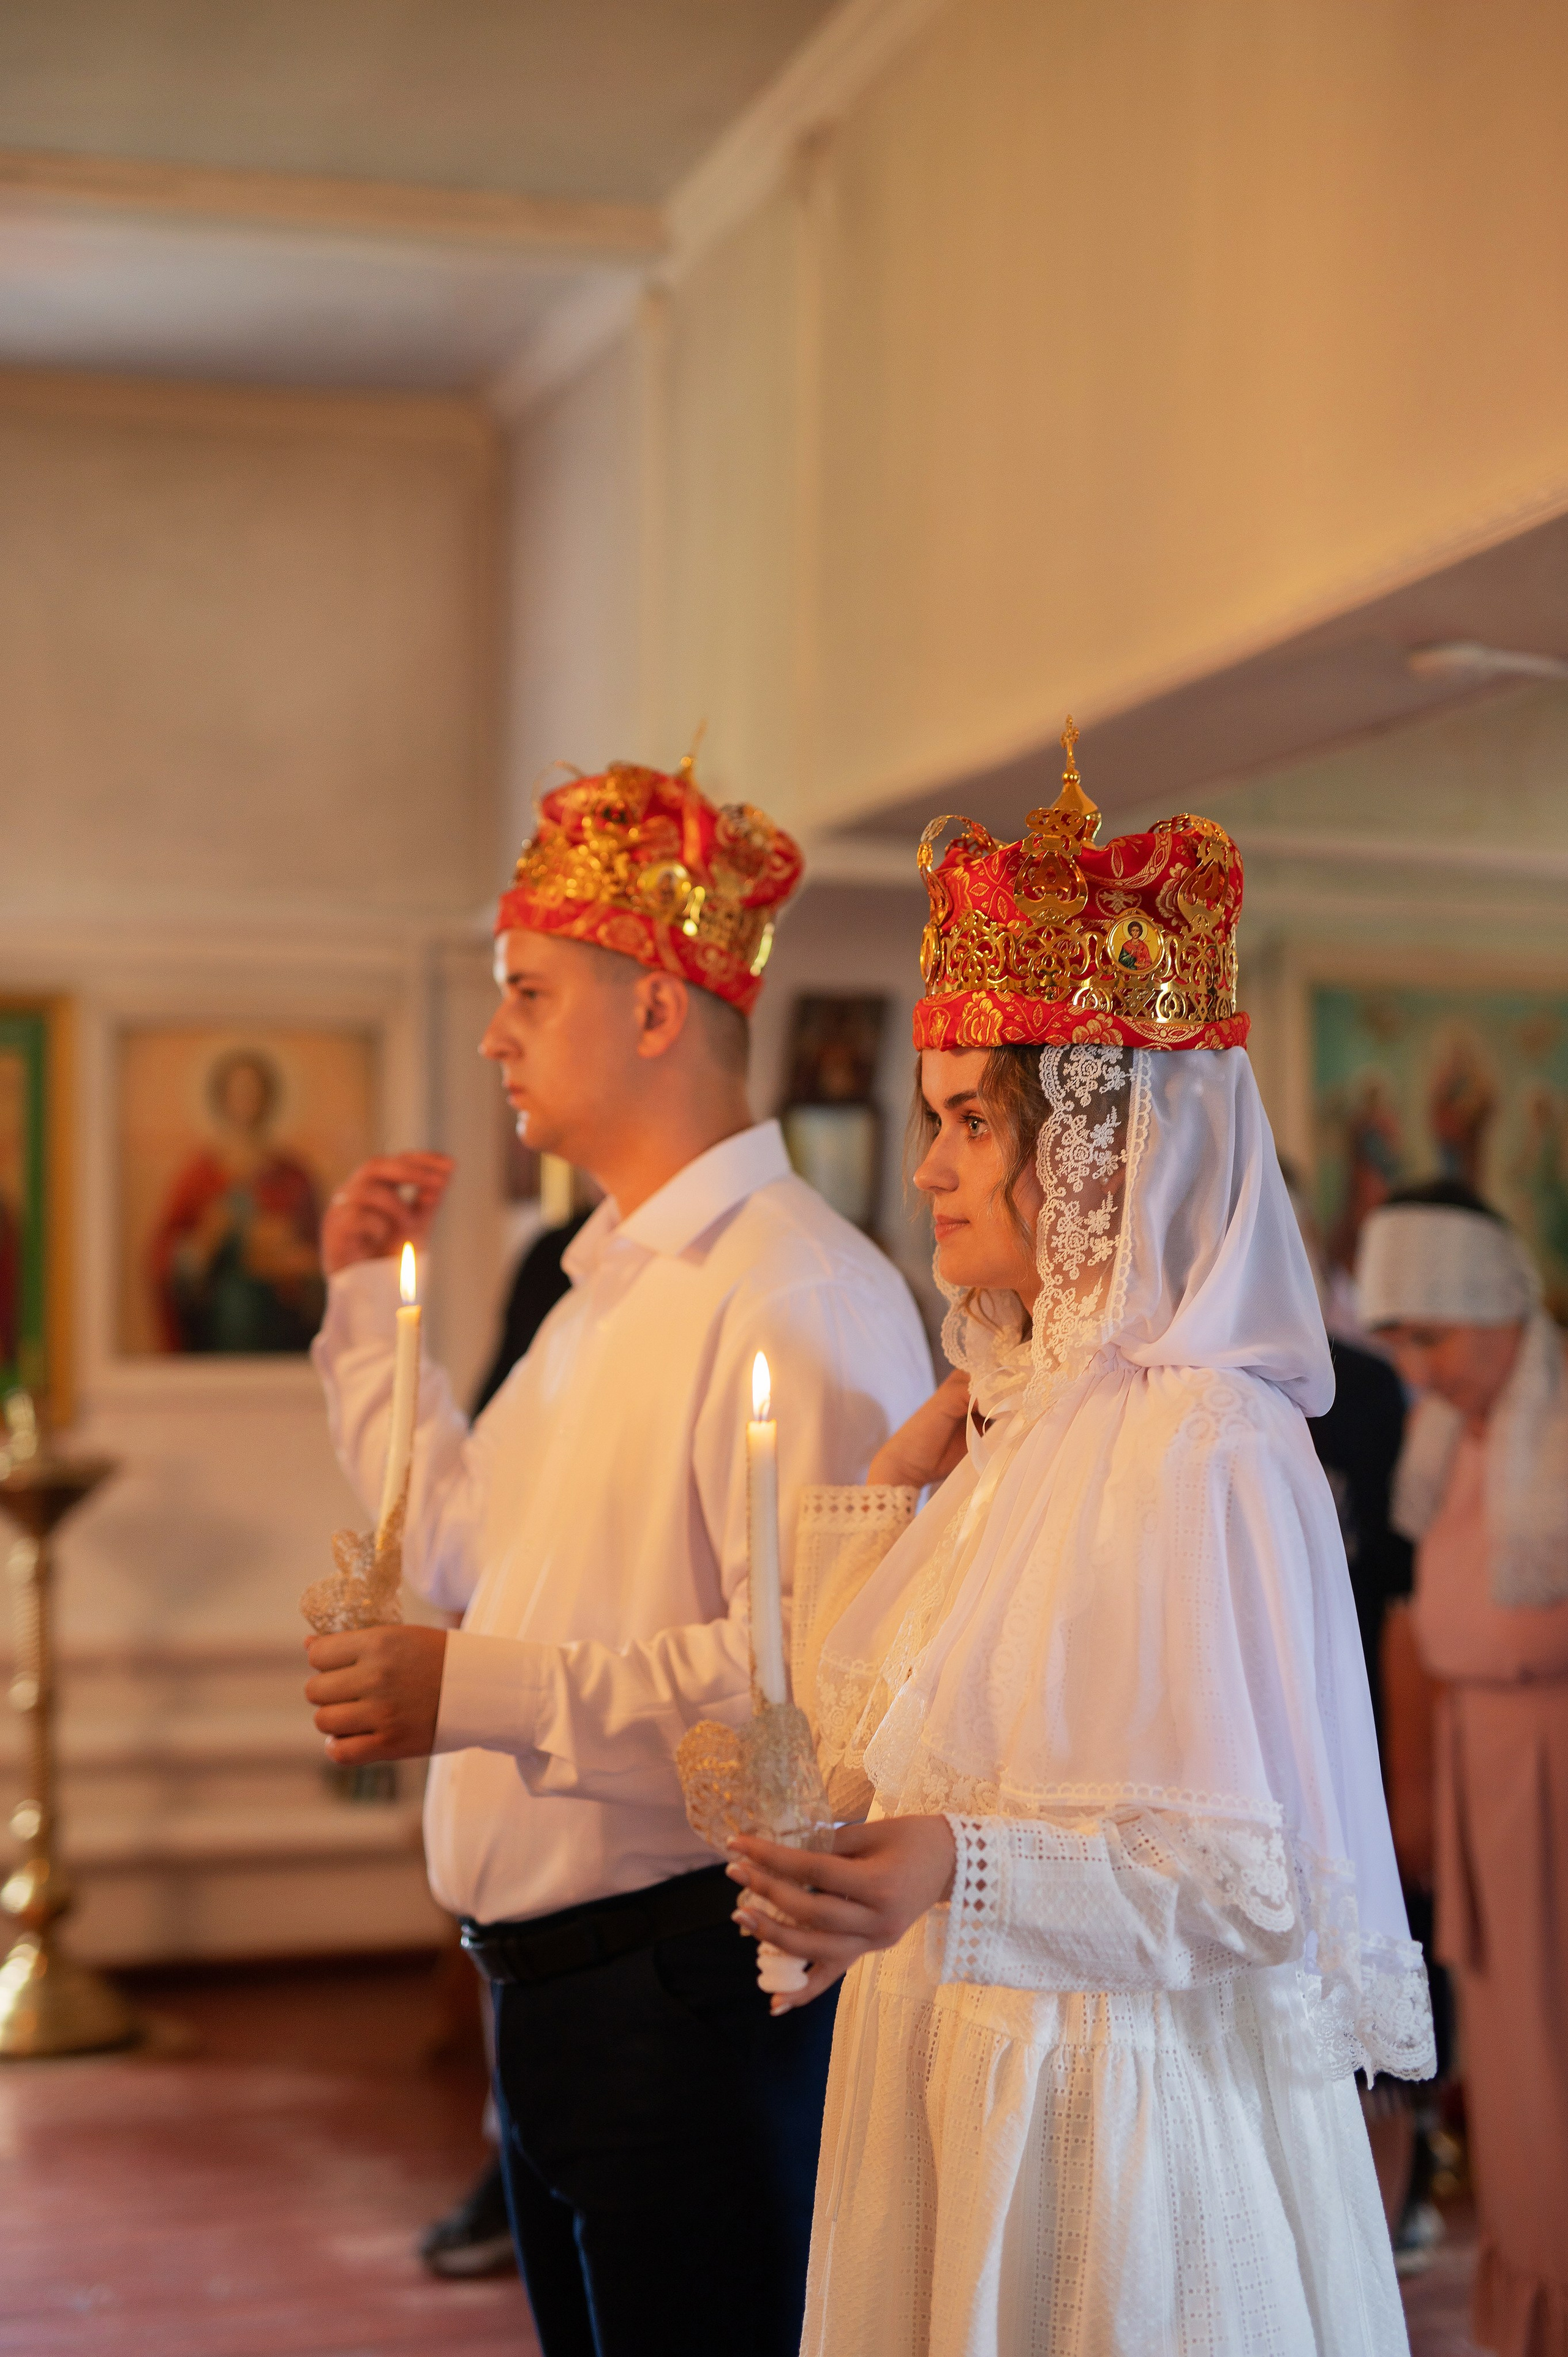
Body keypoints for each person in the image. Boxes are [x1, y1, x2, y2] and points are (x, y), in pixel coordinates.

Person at [726, 743, 1434, 2356]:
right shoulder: (1024, 1422)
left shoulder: (1208, 1439)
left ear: (1110, 1144)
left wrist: (952, 1868)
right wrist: (885, 1495)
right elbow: (869, 1742)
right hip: (957, 2068)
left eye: (970, 1121)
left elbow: (1240, 1879)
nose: (927, 1170)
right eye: (935, 1119)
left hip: (1113, 2123)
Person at [302, 757, 933, 2357]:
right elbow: (465, 1541)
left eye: (527, 991)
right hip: (554, 2001)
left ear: (654, 1007)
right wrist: (369, 1310)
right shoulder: (608, 1284)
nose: (493, 1036)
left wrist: (473, 1691)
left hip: (688, 1988)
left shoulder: (795, 1295)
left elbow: (814, 1697)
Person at [1358, 1178, 1568, 2357]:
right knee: (1519, 2084)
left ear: (1494, 1306)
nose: (1419, 1370)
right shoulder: (1449, 1443)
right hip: (1488, 1784)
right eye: (1401, 1341)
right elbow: (1416, 1619)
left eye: (1433, 1336)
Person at [149, 1046, 323, 1352]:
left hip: (278, 1325)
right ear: (222, 1099)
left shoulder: (292, 1176)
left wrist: (289, 1256)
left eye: (254, 1093)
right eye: (238, 1093)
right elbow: (165, 1259)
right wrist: (202, 1245)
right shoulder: (198, 1176)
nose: (247, 1102)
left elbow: (320, 1255)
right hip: (216, 1329)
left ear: (268, 1099)